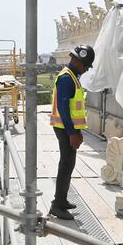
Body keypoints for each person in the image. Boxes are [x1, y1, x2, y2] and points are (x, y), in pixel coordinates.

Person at [49, 44, 95, 220]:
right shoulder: (67, 78)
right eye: (85, 66)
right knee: (66, 165)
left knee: (68, 164)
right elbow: (63, 108)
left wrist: (77, 131)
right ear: (78, 61)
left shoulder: (72, 77)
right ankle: (57, 205)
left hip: (67, 128)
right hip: (63, 128)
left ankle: (62, 200)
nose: (85, 70)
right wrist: (71, 133)